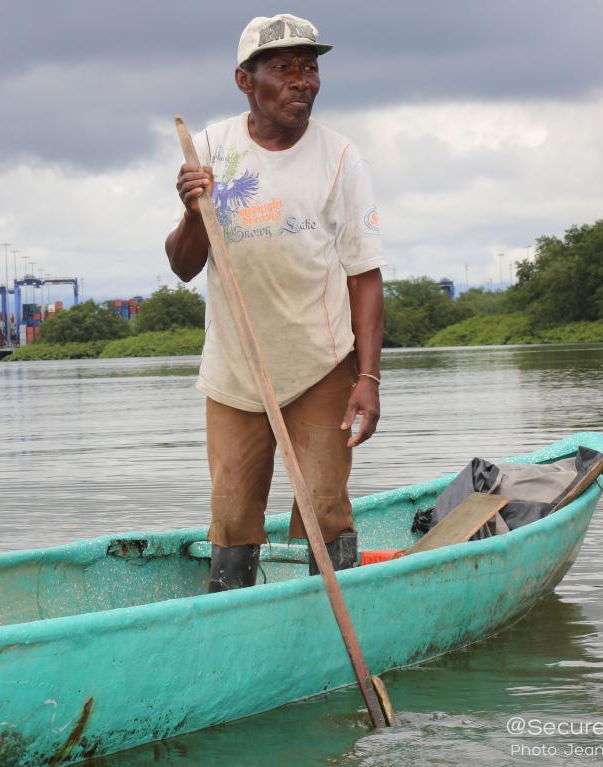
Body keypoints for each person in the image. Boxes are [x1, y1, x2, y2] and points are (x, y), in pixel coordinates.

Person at [164, 13, 386, 592]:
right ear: (246, 80)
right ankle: (232, 620)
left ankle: (330, 619)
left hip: (320, 362)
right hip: (236, 369)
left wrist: (368, 376)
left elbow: (364, 274)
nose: (301, 80)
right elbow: (184, 265)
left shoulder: (340, 158)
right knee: (234, 514)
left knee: (323, 506)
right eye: (283, 67)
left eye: (309, 67)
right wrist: (193, 213)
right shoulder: (211, 148)